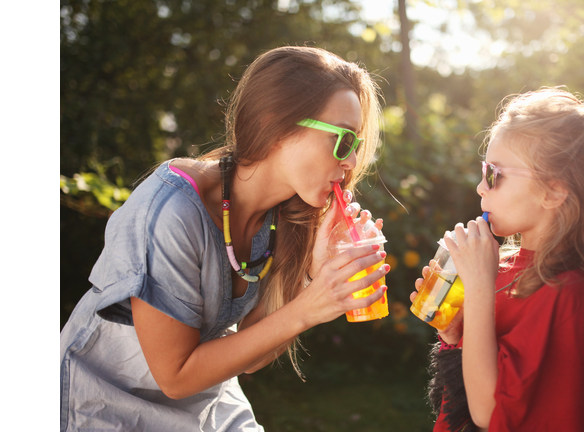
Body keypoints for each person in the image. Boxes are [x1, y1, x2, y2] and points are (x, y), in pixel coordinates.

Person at [60, 46, 390, 432]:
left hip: (203, 403)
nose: (351, 162)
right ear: (276, 126)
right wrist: (309, 307)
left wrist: (313, 276)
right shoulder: (172, 211)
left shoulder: (283, 217)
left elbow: (251, 355)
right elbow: (176, 375)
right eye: (344, 141)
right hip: (101, 403)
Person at [412, 88, 584, 431]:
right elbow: (472, 388)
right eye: (484, 171)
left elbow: (488, 413)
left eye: (495, 174)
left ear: (553, 191)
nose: (481, 187)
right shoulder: (505, 270)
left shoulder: (564, 288)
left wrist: (478, 286)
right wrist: (455, 334)